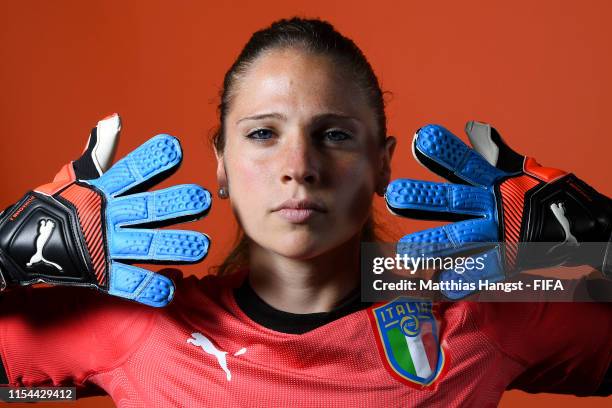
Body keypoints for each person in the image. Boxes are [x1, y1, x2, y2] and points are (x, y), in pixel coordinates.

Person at [0, 17, 610, 407]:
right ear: (221, 163)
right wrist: (6, 251)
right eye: (263, 134)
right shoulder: (144, 327)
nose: (300, 165)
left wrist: (599, 242)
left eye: (336, 136)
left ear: (383, 164)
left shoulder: (472, 312)